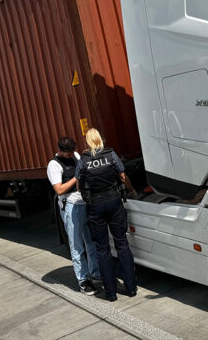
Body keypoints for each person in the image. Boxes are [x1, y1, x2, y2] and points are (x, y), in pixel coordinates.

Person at [75, 128, 137, 302]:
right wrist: (132, 191)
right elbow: (123, 176)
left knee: (102, 249)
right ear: (100, 140)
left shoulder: (83, 160)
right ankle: (131, 288)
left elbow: (79, 187)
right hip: (114, 202)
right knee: (122, 243)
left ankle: (111, 293)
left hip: (95, 206)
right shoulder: (111, 154)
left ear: (87, 142)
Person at [47, 136, 101, 295]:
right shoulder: (54, 165)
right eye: (68, 154)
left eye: (72, 152)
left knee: (91, 241)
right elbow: (59, 189)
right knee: (76, 244)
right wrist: (76, 177)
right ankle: (83, 280)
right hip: (70, 206)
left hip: (84, 202)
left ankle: (96, 273)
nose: (71, 155)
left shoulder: (76, 155)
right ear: (60, 151)